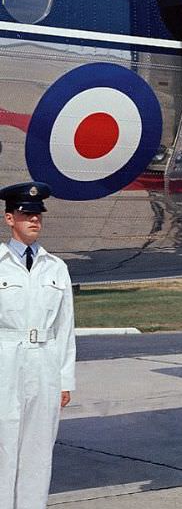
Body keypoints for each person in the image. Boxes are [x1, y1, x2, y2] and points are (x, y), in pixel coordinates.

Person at [0, 181, 75, 509]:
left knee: (38, 451)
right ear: (9, 219)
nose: (34, 220)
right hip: (5, 362)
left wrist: (65, 379)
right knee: (4, 448)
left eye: (38, 215)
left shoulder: (56, 268)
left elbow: (65, 328)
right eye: (25, 213)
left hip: (44, 363)